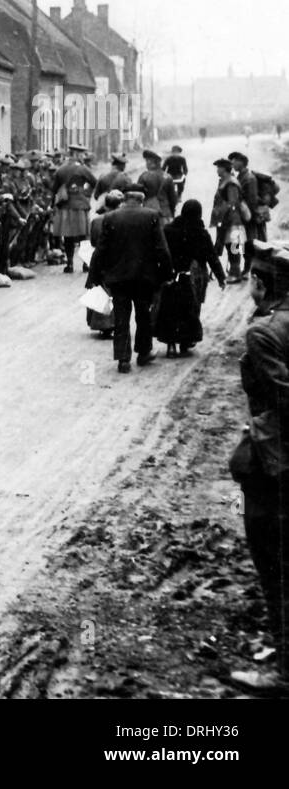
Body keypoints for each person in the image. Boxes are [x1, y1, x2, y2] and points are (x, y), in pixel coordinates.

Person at [230, 241, 289, 694]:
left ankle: (283, 671)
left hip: (278, 462)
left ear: (263, 284)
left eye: (253, 277)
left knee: (275, 564)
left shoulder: (265, 333)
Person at [88, 184, 173, 374]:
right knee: (143, 315)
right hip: (144, 277)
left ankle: (123, 359)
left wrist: (93, 276)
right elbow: (161, 248)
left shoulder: (110, 217)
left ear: (124, 200)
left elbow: (100, 250)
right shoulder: (151, 216)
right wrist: (167, 274)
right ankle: (143, 353)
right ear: (141, 200)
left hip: (118, 278)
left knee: (121, 318)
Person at [155, 199, 226, 357]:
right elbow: (211, 256)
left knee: (171, 309)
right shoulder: (201, 232)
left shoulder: (168, 230)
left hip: (172, 275)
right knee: (192, 308)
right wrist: (221, 277)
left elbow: (160, 252)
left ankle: (171, 346)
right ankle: (186, 341)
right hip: (194, 277)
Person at [50, 144, 98, 273]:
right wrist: (87, 194)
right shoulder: (83, 169)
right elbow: (95, 183)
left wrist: (52, 205)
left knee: (68, 236)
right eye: (81, 154)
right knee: (84, 236)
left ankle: (70, 264)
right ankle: (86, 264)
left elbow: (54, 189)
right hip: (80, 206)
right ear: (76, 154)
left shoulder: (61, 170)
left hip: (65, 207)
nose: (83, 156)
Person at [85, 191, 125, 338]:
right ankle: (114, 322)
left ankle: (102, 323)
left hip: (100, 258)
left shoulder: (96, 221)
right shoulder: (122, 219)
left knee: (101, 289)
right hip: (118, 258)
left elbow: (93, 241)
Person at [211, 158, 248, 282]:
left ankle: (235, 274)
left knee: (233, 246)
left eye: (219, 167)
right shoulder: (225, 181)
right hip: (227, 219)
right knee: (229, 245)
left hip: (232, 220)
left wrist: (225, 217)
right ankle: (234, 272)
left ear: (224, 168)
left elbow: (233, 203)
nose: (217, 170)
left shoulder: (231, 182)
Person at [231, 151, 265, 252]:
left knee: (250, 245)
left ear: (241, 162)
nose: (232, 164)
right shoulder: (240, 177)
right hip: (244, 216)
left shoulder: (249, 178)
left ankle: (248, 266)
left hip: (249, 218)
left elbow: (252, 201)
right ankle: (247, 266)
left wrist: (247, 217)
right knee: (243, 246)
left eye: (234, 162)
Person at [138, 148, 178, 220]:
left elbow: (138, 197)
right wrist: (171, 213)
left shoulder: (143, 177)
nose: (146, 164)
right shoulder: (168, 177)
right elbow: (173, 199)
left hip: (148, 213)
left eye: (147, 161)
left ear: (153, 163)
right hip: (165, 213)